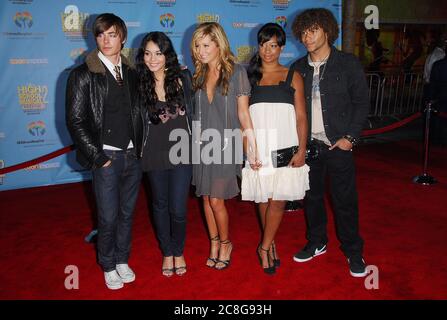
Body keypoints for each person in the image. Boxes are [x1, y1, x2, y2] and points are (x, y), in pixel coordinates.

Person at [290, 8, 370, 277]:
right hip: (310, 146)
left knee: (344, 200)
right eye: (303, 31)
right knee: (311, 198)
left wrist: (350, 137)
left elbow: (361, 103)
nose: (307, 36)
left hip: (339, 145)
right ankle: (317, 242)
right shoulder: (298, 68)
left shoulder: (348, 63)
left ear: (327, 30)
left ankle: (353, 250)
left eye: (313, 30)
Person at [66, 13, 143, 289]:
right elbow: (75, 121)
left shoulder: (133, 72)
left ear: (122, 36)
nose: (106, 40)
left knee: (127, 213)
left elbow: (140, 112)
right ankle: (108, 263)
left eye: (111, 34)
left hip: (132, 156)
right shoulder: (82, 74)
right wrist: (98, 158)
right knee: (108, 216)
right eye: (100, 34)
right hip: (106, 158)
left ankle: (122, 259)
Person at [190, 22, 259, 270]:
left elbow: (243, 114)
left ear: (220, 44)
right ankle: (214, 242)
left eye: (206, 45)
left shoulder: (237, 72)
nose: (201, 50)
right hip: (200, 146)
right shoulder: (197, 75)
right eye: (197, 45)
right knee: (206, 199)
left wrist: (252, 147)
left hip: (226, 146)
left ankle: (226, 242)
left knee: (217, 200)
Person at [242, 23, 309, 274]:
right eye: (263, 45)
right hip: (259, 147)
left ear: (281, 47)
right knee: (263, 197)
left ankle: (264, 245)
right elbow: (243, 118)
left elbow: (302, 117)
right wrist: (249, 150)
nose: (267, 51)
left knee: (277, 200)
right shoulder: (249, 77)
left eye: (273, 45)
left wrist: (301, 149)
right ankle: (270, 243)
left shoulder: (293, 75)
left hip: (285, 146)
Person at [135, 32, 194, 277]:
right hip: (153, 153)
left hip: (182, 151)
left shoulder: (182, 76)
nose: (153, 59)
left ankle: (178, 250)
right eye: (148, 53)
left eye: (158, 53)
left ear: (167, 54)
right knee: (159, 205)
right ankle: (167, 252)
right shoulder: (138, 82)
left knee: (178, 208)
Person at [429, 55, 447, 146]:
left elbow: (433, 83)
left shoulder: (438, 65)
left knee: (438, 120)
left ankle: (437, 141)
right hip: (441, 97)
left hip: (440, 96)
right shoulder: (438, 65)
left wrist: (431, 97)